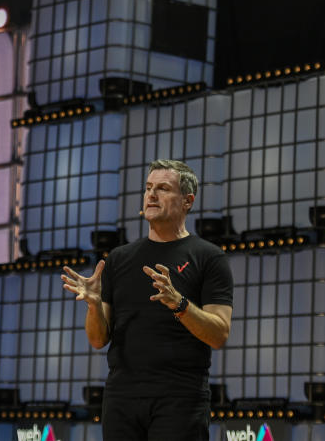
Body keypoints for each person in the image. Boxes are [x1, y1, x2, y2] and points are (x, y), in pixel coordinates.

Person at [62, 159, 233, 440]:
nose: (151, 195)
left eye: (163, 188)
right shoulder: (118, 259)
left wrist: (180, 304)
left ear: (187, 201)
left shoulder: (209, 257)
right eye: (148, 187)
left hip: (180, 397)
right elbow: (97, 340)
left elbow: (219, 334)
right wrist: (94, 305)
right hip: (122, 397)